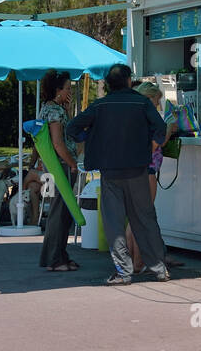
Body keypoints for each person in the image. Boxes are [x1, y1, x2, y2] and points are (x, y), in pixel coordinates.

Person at [67, 64, 171, 284]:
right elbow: (160, 129)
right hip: (138, 169)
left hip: (110, 171)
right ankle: (159, 268)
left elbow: (73, 128)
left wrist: (93, 138)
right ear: (127, 81)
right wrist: (149, 144)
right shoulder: (141, 102)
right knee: (144, 218)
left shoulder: (100, 105)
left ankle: (124, 272)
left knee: (114, 222)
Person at [126, 82, 184, 272]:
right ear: (149, 98)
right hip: (147, 170)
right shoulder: (147, 118)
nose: (158, 105)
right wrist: (168, 129)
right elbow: (153, 145)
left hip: (132, 170)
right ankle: (138, 262)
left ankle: (131, 261)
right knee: (143, 217)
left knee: (133, 218)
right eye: (157, 100)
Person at [38, 70, 81, 272]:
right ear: (58, 89)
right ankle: (54, 259)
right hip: (60, 165)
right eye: (67, 88)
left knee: (62, 211)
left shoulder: (51, 108)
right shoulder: (54, 111)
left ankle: (60, 255)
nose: (69, 92)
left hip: (53, 165)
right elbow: (58, 143)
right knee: (59, 211)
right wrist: (72, 163)